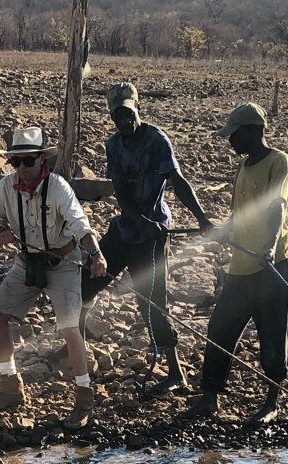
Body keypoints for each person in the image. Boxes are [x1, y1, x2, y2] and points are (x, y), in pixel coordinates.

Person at [81, 83, 213, 398]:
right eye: (118, 117)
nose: (124, 122)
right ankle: (76, 343)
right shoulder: (113, 145)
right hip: (126, 230)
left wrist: (202, 218)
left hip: (153, 238)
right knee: (88, 281)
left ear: (137, 109)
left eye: (128, 114)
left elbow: (178, 182)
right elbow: (122, 197)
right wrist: (141, 222)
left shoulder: (156, 142)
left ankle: (175, 372)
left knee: (151, 302)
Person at [0, 126, 108, 431]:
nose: (22, 169)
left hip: (63, 263)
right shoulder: (5, 187)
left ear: (42, 160)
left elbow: (80, 224)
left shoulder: (59, 187)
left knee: (68, 327)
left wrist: (95, 254)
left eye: (28, 161)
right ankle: (10, 385)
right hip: (26, 262)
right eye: (16, 162)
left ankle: (83, 395)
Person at [186, 102, 288, 426]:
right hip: (241, 266)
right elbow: (238, 214)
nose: (230, 141)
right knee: (220, 328)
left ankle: (272, 402)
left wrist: (270, 245)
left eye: (234, 135)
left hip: (272, 266)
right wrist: (220, 231)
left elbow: (277, 206)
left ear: (252, 132)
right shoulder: (243, 167)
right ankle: (210, 397)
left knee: (272, 334)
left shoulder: (279, 161)